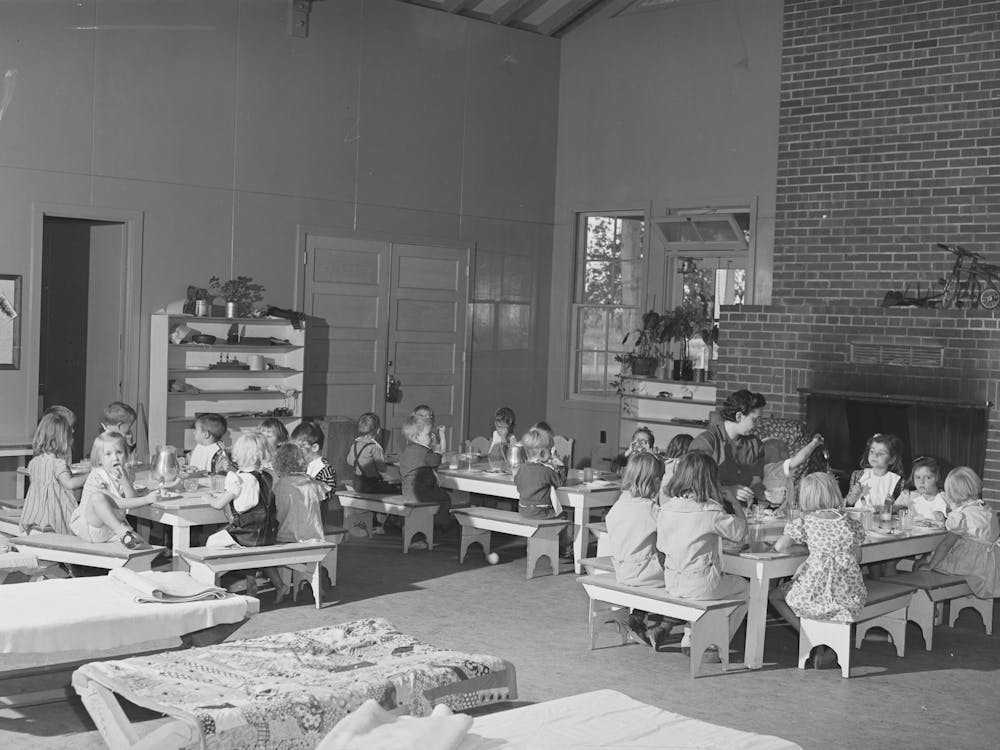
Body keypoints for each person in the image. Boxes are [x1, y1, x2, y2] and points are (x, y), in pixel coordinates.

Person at [768, 472, 867, 669]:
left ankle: (810, 638)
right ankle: (824, 648)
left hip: (814, 593)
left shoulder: (805, 522)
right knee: (831, 608)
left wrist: (808, 549)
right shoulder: (850, 522)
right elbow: (858, 558)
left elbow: (779, 547)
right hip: (848, 592)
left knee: (775, 596)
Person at [605, 452, 680, 647]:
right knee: (682, 577)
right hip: (644, 574)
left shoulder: (619, 505)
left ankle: (637, 618)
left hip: (622, 571)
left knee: (653, 567)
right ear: (656, 481)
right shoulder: (651, 510)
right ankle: (665, 626)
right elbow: (674, 539)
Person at [657, 452, 748, 600]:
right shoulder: (711, 511)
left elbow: (662, 546)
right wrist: (735, 503)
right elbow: (742, 533)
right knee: (745, 588)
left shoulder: (666, 508)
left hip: (673, 581)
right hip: (702, 583)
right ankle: (728, 624)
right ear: (710, 479)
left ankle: (716, 622)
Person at [920, 467, 1000, 598]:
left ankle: (922, 610)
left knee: (921, 563)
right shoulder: (988, 511)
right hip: (988, 568)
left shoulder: (961, 516)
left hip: (969, 565)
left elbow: (946, 544)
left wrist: (930, 565)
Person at [69, 432, 154, 548]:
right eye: (108, 454)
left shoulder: (124, 474)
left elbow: (132, 501)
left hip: (109, 530)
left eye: (119, 452)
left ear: (126, 455)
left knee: (144, 547)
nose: (115, 458)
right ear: (99, 459)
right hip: (92, 526)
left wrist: (125, 482)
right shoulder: (97, 475)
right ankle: (122, 532)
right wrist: (146, 499)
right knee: (97, 497)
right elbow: (117, 503)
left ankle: (124, 536)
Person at [689, 389, 767, 508]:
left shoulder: (756, 444)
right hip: (710, 511)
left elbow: (756, 482)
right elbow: (694, 485)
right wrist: (728, 490)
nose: (759, 425)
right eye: (755, 419)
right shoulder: (705, 443)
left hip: (743, 512)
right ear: (739, 416)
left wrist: (765, 494)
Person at [20, 411, 89, 535]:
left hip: (34, 513)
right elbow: (70, 484)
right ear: (62, 440)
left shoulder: (34, 462)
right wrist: (89, 475)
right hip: (53, 516)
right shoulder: (58, 463)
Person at [273, 442, 326, 544]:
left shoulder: (280, 484)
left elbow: (277, 510)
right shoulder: (314, 483)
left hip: (288, 535)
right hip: (314, 536)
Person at [758, 434, 824, 509]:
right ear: (778, 454)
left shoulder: (763, 470)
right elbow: (802, 457)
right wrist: (814, 442)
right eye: (785, 450)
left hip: (765, 509)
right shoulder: (780, 467)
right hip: (779, 511)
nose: (789, 453)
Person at [513, 427, 567, 520]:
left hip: (523, 510)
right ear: (542, 453)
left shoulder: (521, 468)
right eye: (550, 451)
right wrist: (560, 464)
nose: (551, 454)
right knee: (563, 516)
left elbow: (517, 483)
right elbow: (561, 482)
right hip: (540, 512)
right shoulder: (546, 471)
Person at [845, 433, 904, 512]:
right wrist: (853, 496)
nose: (875, 455)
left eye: (881, 453)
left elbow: (900, 510)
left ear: (892, 459)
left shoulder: (898, 482)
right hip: (858, 521)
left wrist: (892, 506)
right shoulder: (858, 475)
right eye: (872, 451)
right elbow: (849, 504)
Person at [346, 412, 399, 494]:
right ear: (378, 431)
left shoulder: (355, 444)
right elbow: (382, 468)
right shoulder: (375, 447)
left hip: (357, 483)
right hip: (371, 485)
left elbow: (350, 461)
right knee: (397, 489)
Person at [894, 456, 948, 524]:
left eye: (927, 478)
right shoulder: (910, 496)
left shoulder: (945, 498)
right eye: (918, 477)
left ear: (937, 477)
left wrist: (945, 521)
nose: (921, 482)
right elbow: (893, 511)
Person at [291, 420, 337, 497]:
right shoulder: (299, 464)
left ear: (314, 447)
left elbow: (328, 494)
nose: (296, 451)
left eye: (301, 446)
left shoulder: (325, 469)